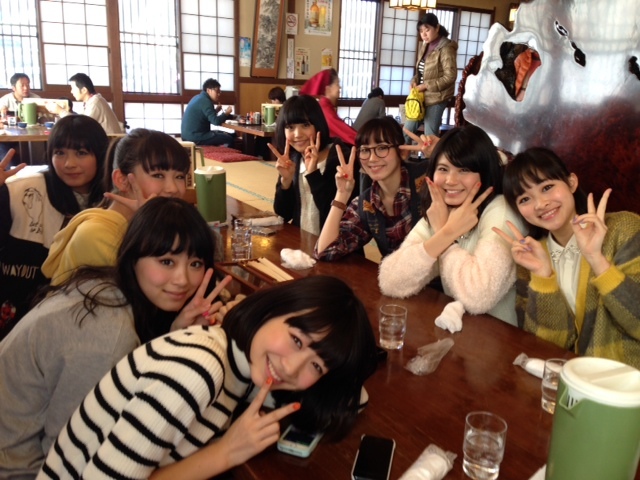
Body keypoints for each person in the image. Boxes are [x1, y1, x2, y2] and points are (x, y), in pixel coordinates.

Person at [39, 275, 378, 479]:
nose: (291, 368)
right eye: (296, 340)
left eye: (316, 366)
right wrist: (226, 452)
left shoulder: (241, 369)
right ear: (273, 308)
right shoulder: (199, 370)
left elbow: (352, 398)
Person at [0, 197, 229, 479]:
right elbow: (71, 454)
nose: (182, 279)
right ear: (133, 257)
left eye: (195, 263)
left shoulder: (108, 288)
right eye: (166, 261)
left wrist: (173, 335)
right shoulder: (107, 334)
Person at [494, 148, 640, 368]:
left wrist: (596, 259)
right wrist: (543, 276)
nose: (540, 204)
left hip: (625, 379)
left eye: (547, 187)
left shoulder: (623, 230)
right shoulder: (531, 257)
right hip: (566, 377)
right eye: (525, 199)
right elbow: (543, 345)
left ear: (571, 183)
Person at [378, 125, 524, 326]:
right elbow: (390, 281)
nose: (451, 180)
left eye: (464, 170)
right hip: (456, 334)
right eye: (443, 169)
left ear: (484, 172)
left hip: (501, 338)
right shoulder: (440, 210)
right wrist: (445, 233)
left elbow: (478, 297)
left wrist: (443, 235)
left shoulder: (501, 211)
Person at [0, 115, 109, 338]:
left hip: (83, 320)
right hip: (18, 318)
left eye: (81, 153)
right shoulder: (20, 191)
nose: (69, 164)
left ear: (101, 154)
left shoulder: (115, 199)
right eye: (59, 153)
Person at [41, 129, 192, 286]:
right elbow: (149, 291)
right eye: (158, 175)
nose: (173, 189)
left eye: (179, 176)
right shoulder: (97, 235)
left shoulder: (160, 222)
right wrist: (150, 224)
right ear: (122, 180)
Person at [315, 117, 435, 261]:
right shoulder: (367, 204)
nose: (372, 158)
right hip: (396, 274)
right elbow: (325, 251)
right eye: (365, 150)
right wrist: (341, 194)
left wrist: (442, 154)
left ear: (402, 151)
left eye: (382, 148)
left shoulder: (428, 178)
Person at [268, 95, 356, 235]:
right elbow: (284, 214)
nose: (297, 134)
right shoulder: (293, 159)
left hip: (335, 244)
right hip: (300, 242)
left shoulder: (341, 160)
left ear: (318, 124)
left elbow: (339, 217)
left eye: (305, 125)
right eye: (290, 127)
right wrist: (285, 182)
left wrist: (314, 174)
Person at [403, 13, 457, 144]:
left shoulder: (446, 48)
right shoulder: (425, 45)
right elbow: (421, 72)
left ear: (437, 28)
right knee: (406, 132)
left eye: (427, 30)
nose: (424, 34)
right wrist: (414, 81)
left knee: (430, 138)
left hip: (437, 98)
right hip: (421, 97)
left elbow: (450, 76)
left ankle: (431, 158)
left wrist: (426, 85)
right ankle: (404, 157)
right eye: (421, 31)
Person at [46, 73, 123, 134]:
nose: (71, 91)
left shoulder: (95, 102)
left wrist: (60, 111)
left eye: (73, 88)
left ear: (84, 90)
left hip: (109, 144)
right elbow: (80, 120)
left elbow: (81, 125)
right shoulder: (92, 101)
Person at [300, 68, 357, 146]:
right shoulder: (325, 109)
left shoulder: (325, 106)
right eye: (337, 84)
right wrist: (363, 140)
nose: (339, 88)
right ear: (328, 88)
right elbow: (344, 132)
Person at [0, 73, 41, 164]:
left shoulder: (36, 99)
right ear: (13, 88)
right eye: (22, 85)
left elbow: (44, 118)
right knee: (3, 147)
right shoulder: (4, 101)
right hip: (10, 137)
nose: (26, 88)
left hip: (33, 136)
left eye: (28, 85)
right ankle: (12, 168)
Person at [181, 78, 235, 146]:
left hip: (188, 136)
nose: (219, 94)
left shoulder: (197, 97)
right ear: (208, 90)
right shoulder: (206, 101)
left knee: (230, 134)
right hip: (196, 137)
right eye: (217, 91)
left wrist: (216, 111)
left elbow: (205, 116)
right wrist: (226, 113)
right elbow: (216, 121)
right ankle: (222, 152)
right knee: (229, 139)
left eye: (219, 92)